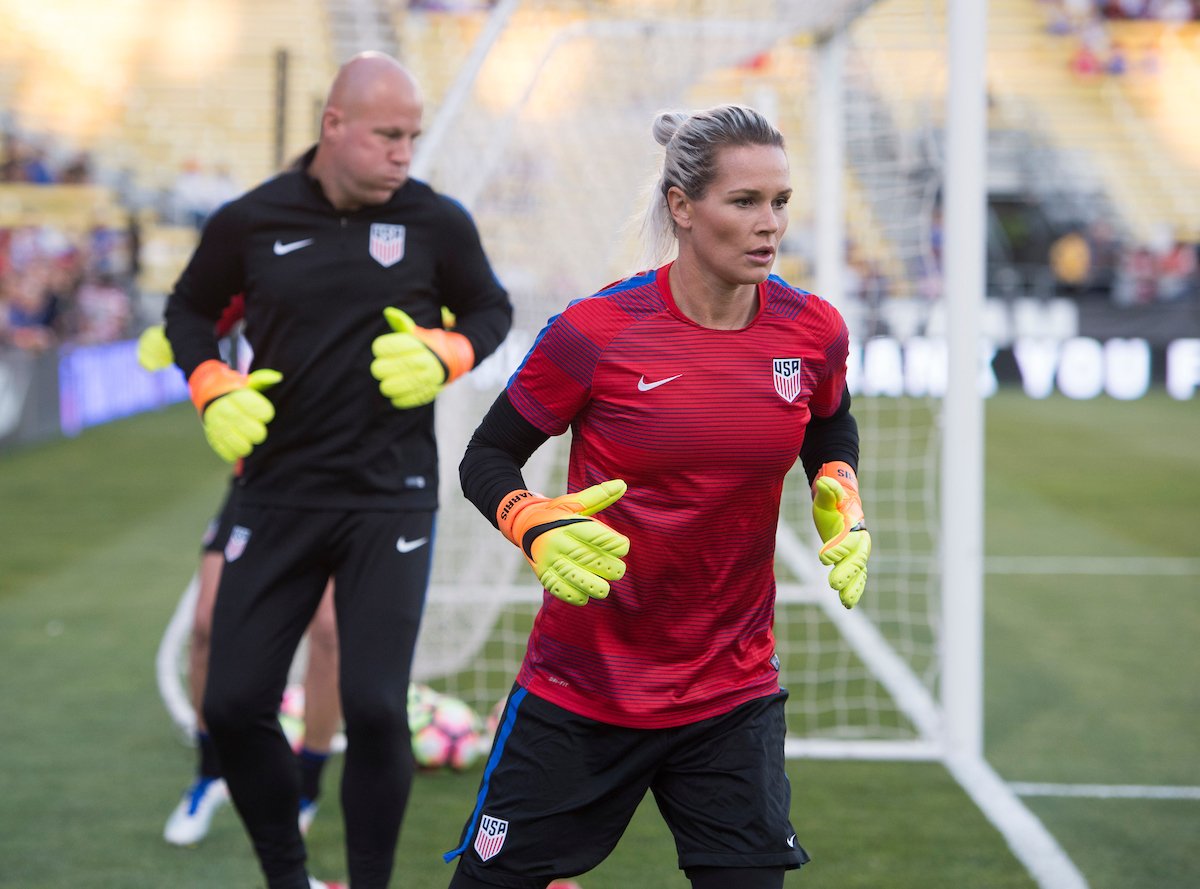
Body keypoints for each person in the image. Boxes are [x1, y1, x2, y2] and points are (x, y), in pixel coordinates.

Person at [446, 104, 871, 889]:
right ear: (682, 207)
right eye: (744, 202)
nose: (769, 223)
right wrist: (531, 520)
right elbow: (488, 456)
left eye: (780, 201)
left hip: (731, 690)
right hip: (584, 685)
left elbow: (830, 423)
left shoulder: (814, 332)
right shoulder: (595, 332)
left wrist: (837, 486)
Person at [163, 51, 512, 889]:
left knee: (376, 706)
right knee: (234, 703)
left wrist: (450, 348)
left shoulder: (438, 222)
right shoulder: (250, 219)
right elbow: (187, 309)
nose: (404, 153)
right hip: (275, 492)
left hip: (389, 501)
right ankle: (288, 876)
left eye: (412, 137)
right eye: (388, 135)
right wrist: (211, 382)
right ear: (334, 127)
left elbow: (492, 308)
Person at [137, 324, 343, 847]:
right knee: (206, 627)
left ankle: (307, 784)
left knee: (328, 631)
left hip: (342, 480)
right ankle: (209, 776)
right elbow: (204, 309)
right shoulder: (261, 252)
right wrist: (182, 334)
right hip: (258, 478)